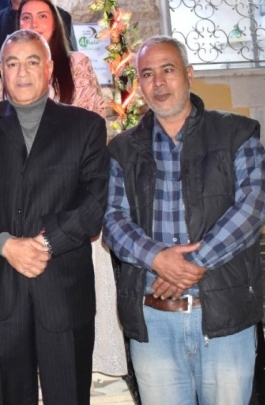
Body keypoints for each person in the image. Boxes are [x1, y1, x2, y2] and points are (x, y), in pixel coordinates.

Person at [103, 35, 265, 405]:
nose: (158, 82)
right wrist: (158, 259)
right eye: (147, 74)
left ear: (189, 74)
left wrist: (192, 263)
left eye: (168, 70)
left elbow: (253, 206)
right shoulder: (122, 149)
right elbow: (113, 220)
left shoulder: (236, 133)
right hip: (153, 324)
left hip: (223, 319)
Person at [0, 29, 109, 405]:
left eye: (32, 62)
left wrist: (45, 243)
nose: (22, 72)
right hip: (2, 291)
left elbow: (95, 202)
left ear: (48, 69)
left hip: (64, 290)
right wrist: (6, 245)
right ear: (1, 71)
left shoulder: (86, 126)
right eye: (12, 63)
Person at [15, 0, 126, 378]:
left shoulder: (75, 64)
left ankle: (92, 366)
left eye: (41, 17)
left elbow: (93, 127)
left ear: (56, 24)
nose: (33, 24)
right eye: (25, 17)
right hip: (29, 205)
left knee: (78, 293)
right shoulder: (10, 71)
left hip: (72, 199)